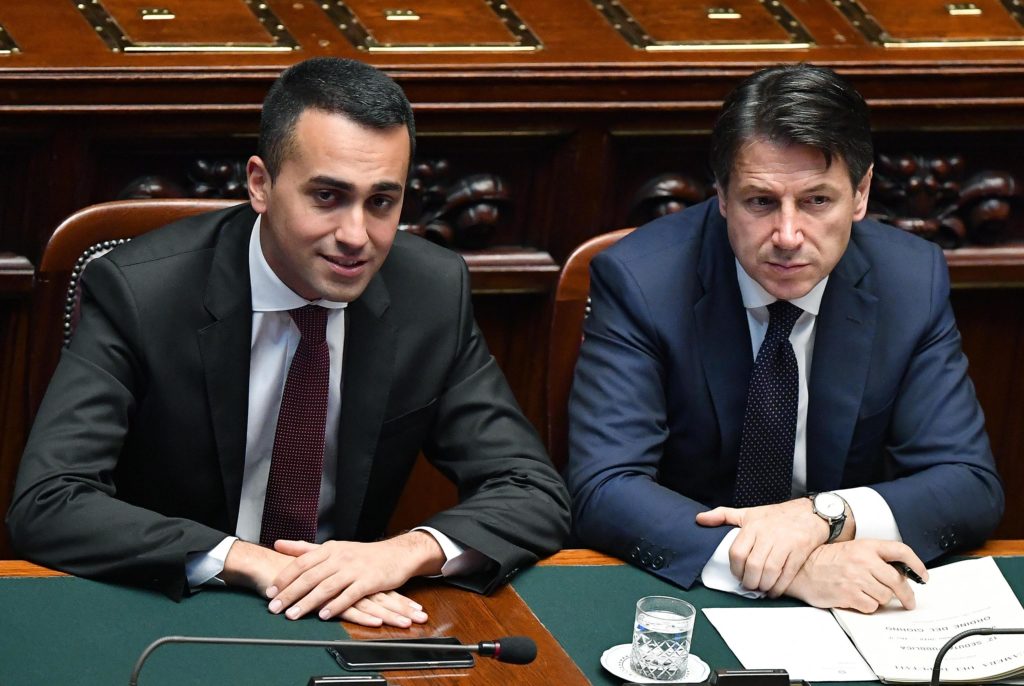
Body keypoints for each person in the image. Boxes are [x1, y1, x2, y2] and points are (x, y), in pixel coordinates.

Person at [7, 57, 570, 628]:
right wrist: (253, 563)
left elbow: (532, 490)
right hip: (174, 607)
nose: (356, 236)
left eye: (381, 202)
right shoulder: (142, 293)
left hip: (348, 614)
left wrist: (400, 553)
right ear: (261, 184)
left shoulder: (430, 292)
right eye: (327, 196)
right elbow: (49, 501)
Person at [566, 63, 1003, 614]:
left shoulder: (910, 281)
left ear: (861, 194)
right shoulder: (642, 281)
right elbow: (604, 486)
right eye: (761, 202)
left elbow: (968, 484)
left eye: (818, 201)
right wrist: (783, 567)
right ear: (722, 195)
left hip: (850, 590)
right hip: (687, 588)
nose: (788, 236)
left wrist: (823, 516)